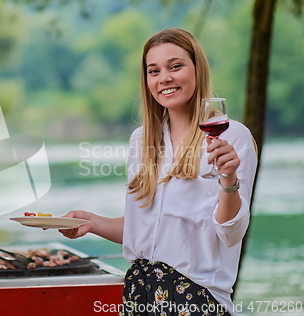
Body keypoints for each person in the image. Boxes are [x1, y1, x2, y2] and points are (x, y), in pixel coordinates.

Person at [60, 28, 257, 316]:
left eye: (175, 66)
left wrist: (229, 180)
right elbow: (146, 231)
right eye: (154, 71)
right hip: (140, 295)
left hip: (195, 298)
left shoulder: (231, 135)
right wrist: (91, 222)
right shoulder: (141, 140)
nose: (164, 77)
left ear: (197, 70)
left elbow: (231, 233)